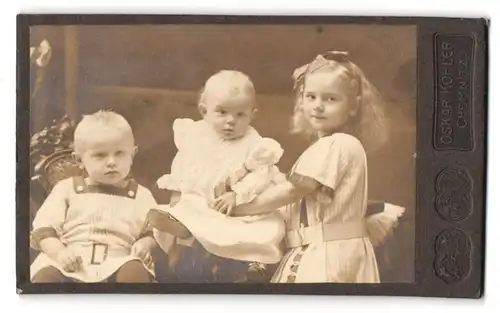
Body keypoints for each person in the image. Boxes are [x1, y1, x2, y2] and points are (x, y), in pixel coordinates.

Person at [219, 51, 405, 283]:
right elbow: (300, 202)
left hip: (326, 255)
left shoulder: (337, 144)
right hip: (330, 249)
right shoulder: (331, 146)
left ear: (354, 106)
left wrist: (240, 207)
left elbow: (292, 191)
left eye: (330, 99)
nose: (318, 106)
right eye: (311, 97)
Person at [149, 70, 286, 282]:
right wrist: (177, 198)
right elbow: (183, 170)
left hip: (234, 207)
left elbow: (260, 175)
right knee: (188, 216)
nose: (231, 121)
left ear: (252, 114)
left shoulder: (253, 143)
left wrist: (237, 195)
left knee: (241, 236)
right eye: (222, 112)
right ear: (204, 111)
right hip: (198, 200)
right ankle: (179, 232)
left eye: (240, 114)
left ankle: (245, 266)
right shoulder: (195, 136)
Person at [30, 110, 158, 283]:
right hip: (70, 260)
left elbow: (152, 232)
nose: (111, 162)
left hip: (118, 259)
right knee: (46, 276)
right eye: (100, 155)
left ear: (132, 154)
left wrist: (145, 244)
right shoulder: (67, 189)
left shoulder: (141, 195)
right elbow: (44, 230)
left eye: (120, 153)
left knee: (134, 271)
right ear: (79, 160)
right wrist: (59, 252)